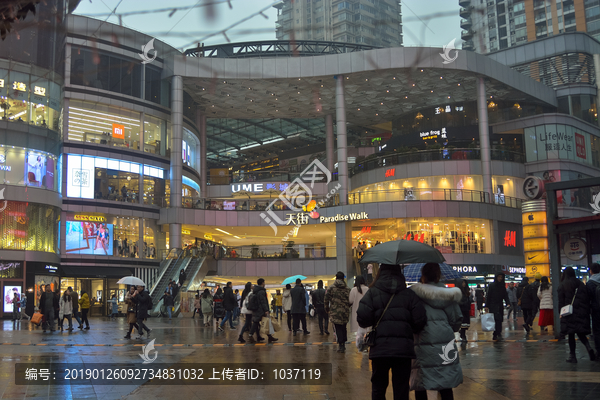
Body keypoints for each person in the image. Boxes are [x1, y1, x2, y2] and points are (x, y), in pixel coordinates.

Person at [357, 264, 427, 399]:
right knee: (401, 389)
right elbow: (420, 321)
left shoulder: (372, 293)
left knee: (378, 388)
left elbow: (362, 318)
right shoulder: (409, 294)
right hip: (403, 350)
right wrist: (407, 328)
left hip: (380, 348)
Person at [410, 263, 463, 400]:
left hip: (421, 341)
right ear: (438, 276)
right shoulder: (449, 295)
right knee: (445, 380)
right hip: (444, 342)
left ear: (423, 277)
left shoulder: (415, 295)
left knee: (421, 380)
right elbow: (456, 321)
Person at [558, 266, 596, 363]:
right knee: (580, 332)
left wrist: (561, 313)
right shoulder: (581, 284)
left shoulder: (562, 285)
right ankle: (588, 347)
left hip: (568, 313)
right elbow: (586, 299)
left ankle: (572, 356)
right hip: (581, 312)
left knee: (571, 334)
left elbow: (561, 301)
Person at [325, 271, 351, 353]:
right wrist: (347, 306)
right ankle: (343, 342)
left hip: (335, 311)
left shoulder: (331, 288)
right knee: (344, 327)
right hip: (345, 311)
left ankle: (341, 345)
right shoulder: (348, 289)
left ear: (336, 278)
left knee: (338, 328)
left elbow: (326, 299)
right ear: (343, 278)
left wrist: (327, 309)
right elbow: (350, 301)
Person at [485, 273, 510, 341]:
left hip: (500, 305)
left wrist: (508, 303)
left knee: (499, 320)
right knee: (496, 320)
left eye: (501, 277)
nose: (500, 278)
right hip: (493, 305)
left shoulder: (502, 286)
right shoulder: (492, 286)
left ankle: (497, 333)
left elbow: (505, 296)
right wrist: (486, 306)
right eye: (499, 277)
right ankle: (496, 333)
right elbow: (488, 296)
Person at [247, 278, 270, 343]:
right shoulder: (261, 291)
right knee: (260, 322)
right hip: (260, 310)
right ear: (262, 283)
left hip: (257, 309)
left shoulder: (256, 291)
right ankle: (250, 335)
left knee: (258, 322)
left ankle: (267, 336)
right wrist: (266, 310)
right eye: (264, 282)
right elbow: (263, 301)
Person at [587, 263, 600, 359]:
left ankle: (599, 352)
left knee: (597, 331)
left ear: (591, 271)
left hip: (596, 310)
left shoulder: (590, 283)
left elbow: (588, 299)